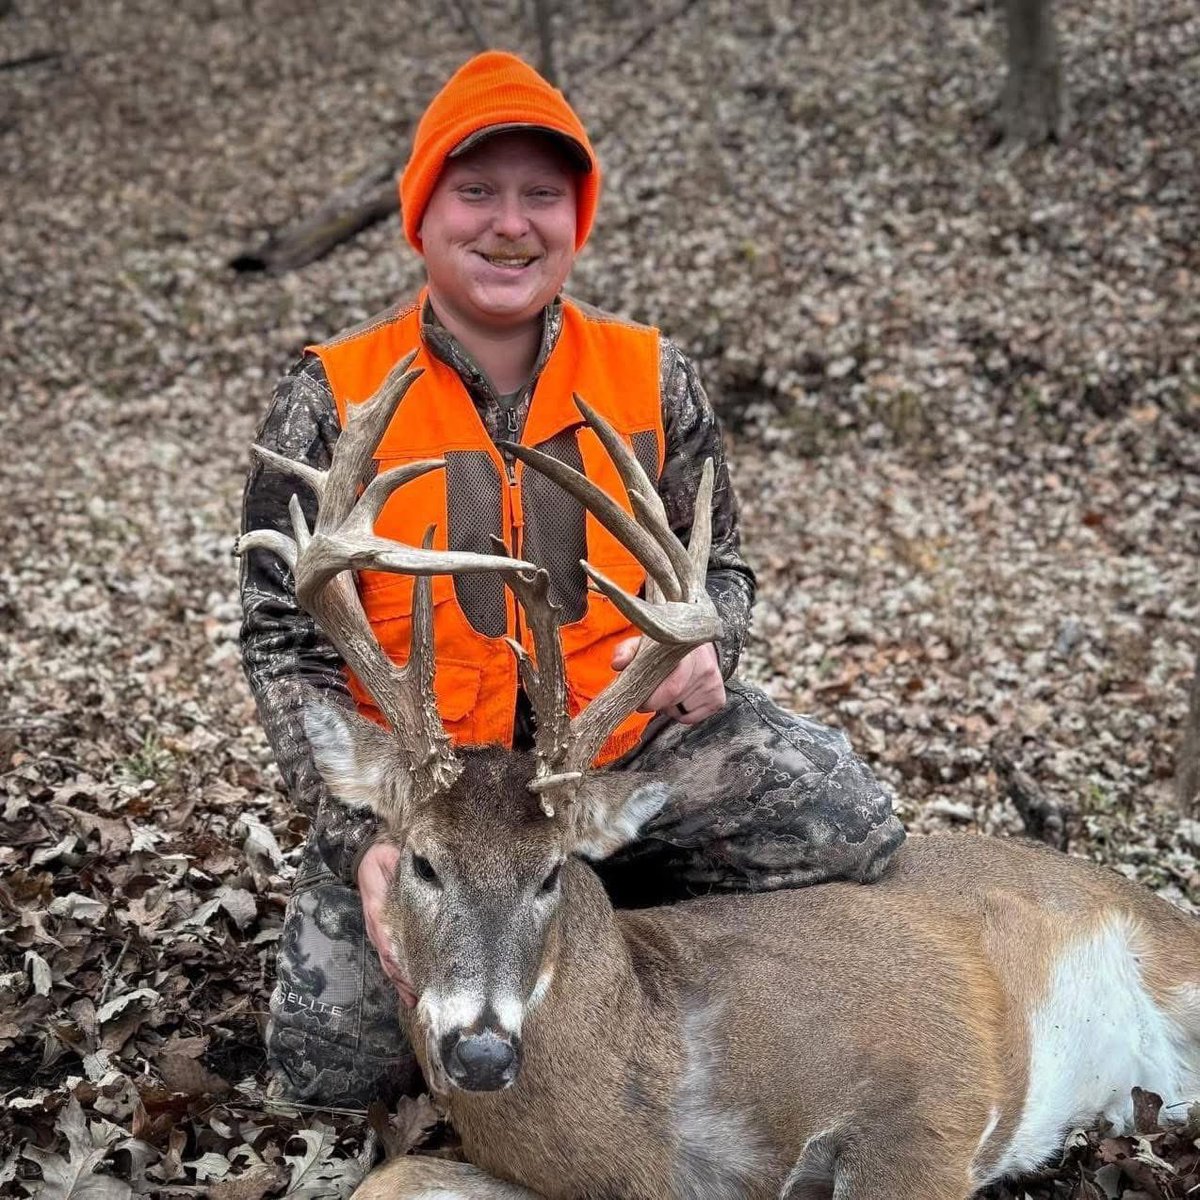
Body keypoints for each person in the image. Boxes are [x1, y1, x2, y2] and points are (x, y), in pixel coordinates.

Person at [239, 50, 905, 1108]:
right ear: (422, 215)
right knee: (331, 1077)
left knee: (850, 825)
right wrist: (369, 833)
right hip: (427, 787)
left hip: (604, 754)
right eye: (477, 194)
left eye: (543, 196)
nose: (512, 224)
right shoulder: (332, 395)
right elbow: (280, 638)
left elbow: (721, 566)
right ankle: (520, 900)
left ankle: (594, 899)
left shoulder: (651, 375)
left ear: (576, 217)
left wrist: (705, 642)